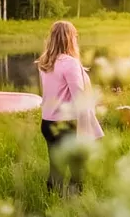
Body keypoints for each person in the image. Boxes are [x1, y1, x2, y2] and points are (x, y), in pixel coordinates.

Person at [36, 20, 104, 196]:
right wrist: (87, 131)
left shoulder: (44, 62)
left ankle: (52, 202)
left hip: (47, 122)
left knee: (56, 168)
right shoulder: (70, 63)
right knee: (77, 170)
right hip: (67, 124)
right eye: (75, 36)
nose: (76, 39)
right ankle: (72, 206)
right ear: (68, 38)